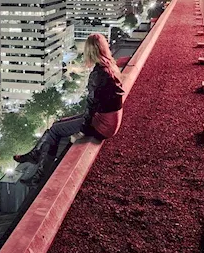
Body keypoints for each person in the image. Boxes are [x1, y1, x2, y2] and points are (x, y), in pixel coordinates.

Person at [13, 33, 126, 173]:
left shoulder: (98, 74)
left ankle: (42, 171)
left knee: (55, 130)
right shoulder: (110, 66)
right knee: (57, 123)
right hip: (111, 119)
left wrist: (82, 131)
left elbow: (91, 106)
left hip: (103, 125)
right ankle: (35, 154)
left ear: (90, 51)